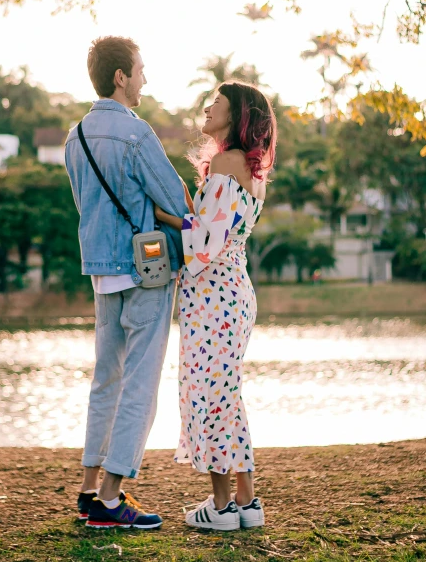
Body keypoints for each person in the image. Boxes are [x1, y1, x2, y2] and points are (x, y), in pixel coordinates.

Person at [65, 36, 188, 530]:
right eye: (140, 70)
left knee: (106, 381)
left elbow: (84, 203)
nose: (144, 79)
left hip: (101, 270)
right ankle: (112, 501)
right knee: (139, 382)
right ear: (121, 76)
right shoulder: (136, 134)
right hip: (145, 272)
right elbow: (176, 201)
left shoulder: (76, 135)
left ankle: (90, 488)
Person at [155, 80, 277, 531]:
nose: (208, 108)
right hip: (234, 291)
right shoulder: (253, 170)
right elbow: (216, 231)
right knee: (226, 394)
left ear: (238, 114)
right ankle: (247, 502)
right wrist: (189, 213)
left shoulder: (226, 163)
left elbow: (202, 244)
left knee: (210, 396)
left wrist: (165, 216)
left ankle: (221, 506)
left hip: (212, 295)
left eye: (217, 103)